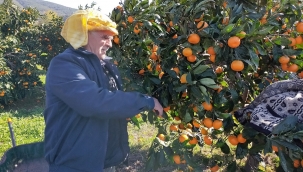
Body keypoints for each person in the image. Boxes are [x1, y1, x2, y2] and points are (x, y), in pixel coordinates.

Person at [43, 8, 163, 172]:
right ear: (84, 35)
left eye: (111, 38)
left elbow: (113, 99)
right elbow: (95, 101)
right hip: (74, 163)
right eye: (105, 37)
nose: (110, 43)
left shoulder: (105, 65)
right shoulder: (64, 64)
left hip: (104, 161)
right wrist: (145, 101)